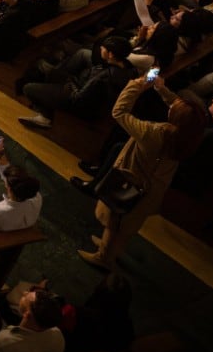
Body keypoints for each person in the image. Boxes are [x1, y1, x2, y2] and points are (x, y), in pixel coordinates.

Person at [79, 74, 203, 270]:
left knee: (115, 221)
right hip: (153, 190)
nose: (171, 107)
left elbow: (120, 112)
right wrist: (162, 89)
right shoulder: (189, 136)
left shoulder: (155, 134)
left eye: (174, 110)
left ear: (176, 117)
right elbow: (183, 111)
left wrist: (136, 85)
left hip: (130, 181)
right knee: (126, 226)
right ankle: (109, 248)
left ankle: (103, 258)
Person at [0, 287, 66, 352]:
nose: (24, 292)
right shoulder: (58, 335)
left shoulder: (1, 345)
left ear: (27, 314)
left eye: (26, 296)